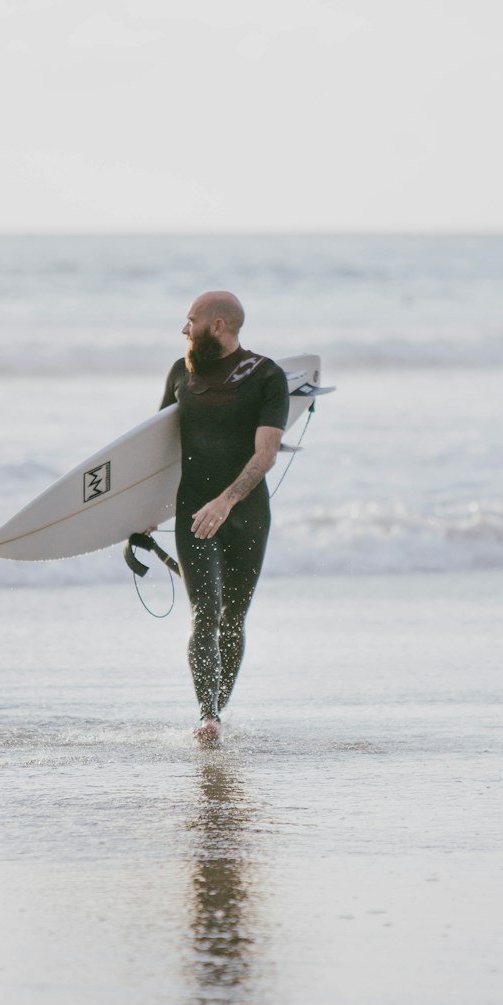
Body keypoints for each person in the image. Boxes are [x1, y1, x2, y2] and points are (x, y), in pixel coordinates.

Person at [159, 291, 289, 744]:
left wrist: (226, 501)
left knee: (233, 616)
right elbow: (156, 456)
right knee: (205, 612)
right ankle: (208, 716)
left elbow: (266, 454)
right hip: (192, 510)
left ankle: (218, 711)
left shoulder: (267, 376)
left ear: (218, 325)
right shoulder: (181, 373)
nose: (183, 329)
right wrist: (134, 521)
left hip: (245, 512)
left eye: (190, 320)